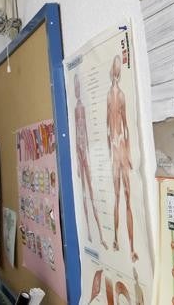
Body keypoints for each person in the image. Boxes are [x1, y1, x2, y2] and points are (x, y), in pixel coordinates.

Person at [106, 54, 137, 262]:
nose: (116, 76)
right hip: (116, 150)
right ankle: (116, 239)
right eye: (114, 72)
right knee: (119, 197)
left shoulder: (122, 96)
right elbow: (109, 126)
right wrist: (111, 149)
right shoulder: (110, 96)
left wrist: (129, 155)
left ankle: (132, 247)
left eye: (118, 72)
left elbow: (125, 126)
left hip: (122, 149)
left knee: (127, 198)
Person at [73, 74, 105, 244]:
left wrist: (88, 157)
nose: (77, 90)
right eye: (75, 87)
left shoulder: (83, 108)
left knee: (92, 193)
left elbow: (85, 130)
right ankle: (89, 233)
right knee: (84, 194)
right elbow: (75, 131)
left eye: (78, 86)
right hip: (79, 152)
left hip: (85, 150)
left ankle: (100, 233)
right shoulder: (75, 109)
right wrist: (78, 164)